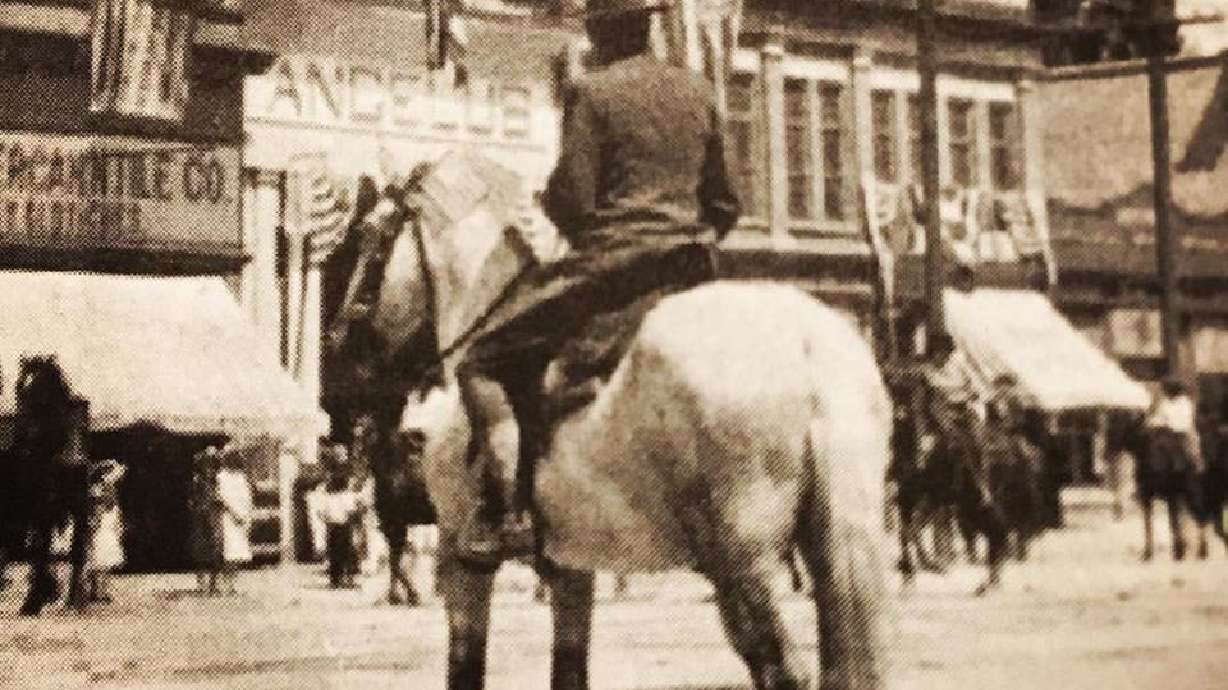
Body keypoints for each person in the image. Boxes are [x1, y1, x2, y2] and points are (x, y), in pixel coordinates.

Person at [455, 0, 740, 562]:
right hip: (690, 271)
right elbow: (726, 203)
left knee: (481, 362)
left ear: (598, 29)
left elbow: (575, 201)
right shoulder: (700, 90)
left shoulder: (592, 92)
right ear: (650, 25)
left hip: (611, 271)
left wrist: (558, 209)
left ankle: (511, 513)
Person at [85, 459, 126, 603]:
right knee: (99, 560)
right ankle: (96, 592)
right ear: (105, 474)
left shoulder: (110, 488)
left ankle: (101, 591)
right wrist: (94, 524)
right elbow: (98, 509)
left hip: (109, 523)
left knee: (105, 562)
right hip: (102, 524)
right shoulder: (99, 489)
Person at [215, 445, 254, 595]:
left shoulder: (241, 476)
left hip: (243, 516)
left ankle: (232, 585)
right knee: (228, 551)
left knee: (238, 553)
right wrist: (235, 512)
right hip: (229, 517)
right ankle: (224, 584)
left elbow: (247, 496)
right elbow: (222, 497)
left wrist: (246, 514)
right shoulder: (222, 476)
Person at [316, 472, 362, 588]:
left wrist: (327, 521)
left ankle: (335, 580)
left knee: (334, 554)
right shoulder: (347, 495)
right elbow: (351, 512)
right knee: (348, 553)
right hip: (344, 527)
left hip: (332, 527)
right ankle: (349, 579)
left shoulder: (328, 497)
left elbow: (321, 513)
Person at [189, 446, 224, 595]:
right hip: (202, 516)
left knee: (215, 548)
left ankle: (212, 584)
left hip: (213, 514)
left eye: (211, 462)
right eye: (206, 462)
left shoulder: (217, 479)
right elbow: (190, 501)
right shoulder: (197, 480)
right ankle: (202, 585)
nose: (209, 466)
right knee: (201, 550)